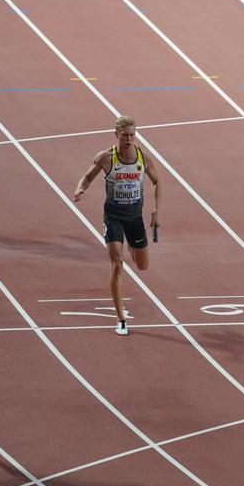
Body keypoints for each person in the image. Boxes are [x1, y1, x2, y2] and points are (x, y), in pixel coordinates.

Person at [73, 116, 161, 336]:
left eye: (132, 135)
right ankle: (121, 319)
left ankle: (131, 243)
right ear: (116, 135)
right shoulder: (106, 158)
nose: (129, 139)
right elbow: (87, 177)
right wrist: (80, 189)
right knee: (117, 264)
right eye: (124, 135)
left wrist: (156, 211)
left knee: (142, 265)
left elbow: (157, 181)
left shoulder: (143, 158)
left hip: (135, 218)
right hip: (113, 217)